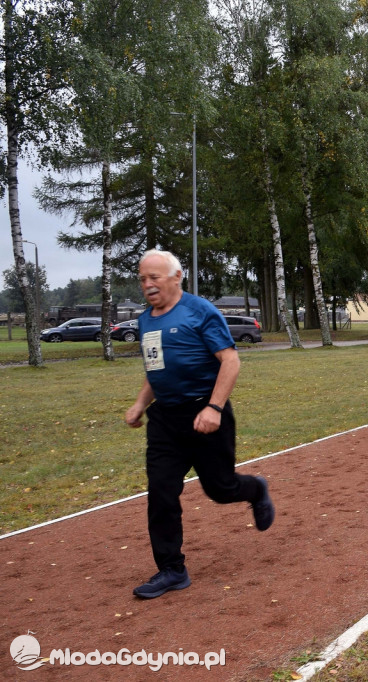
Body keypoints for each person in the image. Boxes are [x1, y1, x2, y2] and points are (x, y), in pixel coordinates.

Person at [124, 249, 275, 599]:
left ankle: (255, 489)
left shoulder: (200, 312)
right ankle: (172, 569)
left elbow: (230, 361)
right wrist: (140, 404)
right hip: (165, 419)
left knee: (220, 489)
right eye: (142, 278)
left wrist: (214, 407)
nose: (147, 284)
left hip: (206, 413)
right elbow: (156, 369)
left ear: (176, 277)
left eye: (154, 277)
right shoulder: (146, 319)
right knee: (161, 490)